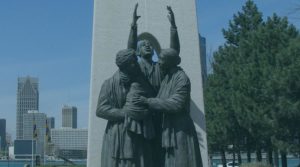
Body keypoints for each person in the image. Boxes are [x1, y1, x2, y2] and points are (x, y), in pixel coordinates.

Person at [139, 48, 203, 167]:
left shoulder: (181, 78)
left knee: (182, 161)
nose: (159, 62)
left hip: (180, 130)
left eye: (162, 60)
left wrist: (149, 101)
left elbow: (176, 104)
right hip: (169, 130)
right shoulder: (167, 79)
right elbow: (160, 98)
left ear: (170, 62)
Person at [96, 49, 153, 167]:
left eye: (136, 61)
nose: (136, 64)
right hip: (117, 132)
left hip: (137, 133)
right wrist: (126, 113)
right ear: (125, 66)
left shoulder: (140, 80)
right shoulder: (109, 84)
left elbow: (149, 98)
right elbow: (101, 109)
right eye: (133, 62)